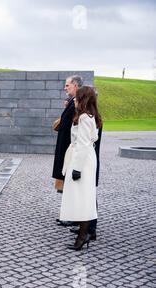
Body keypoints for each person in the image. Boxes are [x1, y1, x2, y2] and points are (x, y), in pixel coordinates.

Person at [59, 86, 102, 250]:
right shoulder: (90, 116)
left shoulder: (84, 117)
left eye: (77, 98)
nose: (74, 100)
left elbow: (83, 144)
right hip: (86, 158)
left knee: (83, 198)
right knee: (85, 196)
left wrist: (76, 168)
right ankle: (84, 234)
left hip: (82, 160)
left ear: (83, 99)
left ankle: (83, 236)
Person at [52, 76, 82, 227]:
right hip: (65, 146)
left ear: (75, 86)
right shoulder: (72, 101)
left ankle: (76, 217)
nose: (65, 88)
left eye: (67, 85)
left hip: (69, 148)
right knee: (66, 184)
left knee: (71, 184)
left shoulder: (78, 103)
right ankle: (70, 215)